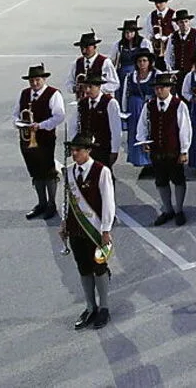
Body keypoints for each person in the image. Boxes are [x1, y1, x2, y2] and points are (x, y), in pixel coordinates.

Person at [59, 132, 115, 330]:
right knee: (83, 268)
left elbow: (108, 202)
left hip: (95, 229)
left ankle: (104, 307)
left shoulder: (101, 171)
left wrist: (106, 229)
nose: (74, 154)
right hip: (75, 229)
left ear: (88, 151)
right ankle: (91, 307)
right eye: (72, 150)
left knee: (99, 267)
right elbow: (66, 200)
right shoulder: (69, 172)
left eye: (78, 150)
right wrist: (64, 222)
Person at [136, 72, 192, 226]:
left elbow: (185, 128)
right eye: (157, 88)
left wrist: (184, 150)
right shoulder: (149, 105)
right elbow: (142, 124)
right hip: (157, 151)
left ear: (169, 88)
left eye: (162, 88)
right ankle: (168, 210)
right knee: (161, 181)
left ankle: (179, 210)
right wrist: (143, 141)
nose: (159, 91)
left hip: (173, 150)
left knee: (178, 179)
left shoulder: (178, 105)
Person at [15, 64, 66, 220]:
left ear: (44, 79)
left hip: (45, 139)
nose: (35, 83)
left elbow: (59, 116)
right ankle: (41, 203)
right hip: (26, 140)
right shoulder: (24, 94)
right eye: (32, 80)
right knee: (35, 172)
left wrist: (41, 125)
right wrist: (19, 123)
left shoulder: (53, 94)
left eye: (38, 80)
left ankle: (51, 204)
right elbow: (15, 114)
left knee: (48, 171)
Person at [68, 72, 123, 169]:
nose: (87, 90)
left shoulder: (110, 103)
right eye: (85, 87)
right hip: (86, 148)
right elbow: (73, 126)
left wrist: (114, 150)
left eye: (90, 87)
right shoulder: (82, 103)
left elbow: (116, 130)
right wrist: (74, 144)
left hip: (103, 148)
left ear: (98, 87)